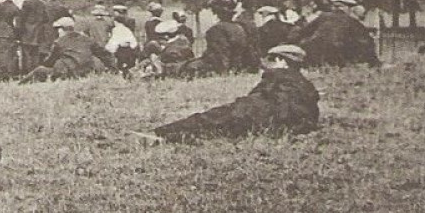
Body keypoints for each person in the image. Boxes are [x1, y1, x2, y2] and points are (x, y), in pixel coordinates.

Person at [137, 45, 320, 145]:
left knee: (210, 120)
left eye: (273, 60)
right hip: (288, 124)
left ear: (283, 61)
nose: (270, 64)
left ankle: (163, 133)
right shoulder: (306, 85)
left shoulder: (274, 77)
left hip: (258, 117)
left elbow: (255, 98)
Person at [22, 16, 116, 81]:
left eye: (58, 29)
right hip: (87, 72)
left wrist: (44, 64)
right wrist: (113, 69)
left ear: (61, 29)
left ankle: (20, 85)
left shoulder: (59, 42)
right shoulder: (87, 39)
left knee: (40, 70)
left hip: (68, 73)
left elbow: (50, 62)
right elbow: (105, 55)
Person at [298, 0, 380, 68]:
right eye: (350, 8)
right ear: (346, 8)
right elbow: (364, 39)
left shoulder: (322, 17)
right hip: (337, 56)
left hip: (315, 56)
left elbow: (303, 32)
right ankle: (375, 64)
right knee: (367, 41)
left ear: (333, 7)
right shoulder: (351, 20)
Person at [184, 0, 256, 76]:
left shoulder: (216, 29)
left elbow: (220, 54)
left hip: (219, 67)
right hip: (237, 65)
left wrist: (223, 72)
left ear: (216, 14)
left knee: (186, 67)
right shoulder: (239, 27)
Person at [16, 0, 51, 74]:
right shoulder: (42, 3)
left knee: (26, 55)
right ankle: (35, 74)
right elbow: (46, 19)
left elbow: (21, 20)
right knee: (35, 55)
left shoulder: (26, 3)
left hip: (27, 34)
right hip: (38, 34)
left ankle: (26, 74)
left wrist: (18, 34)